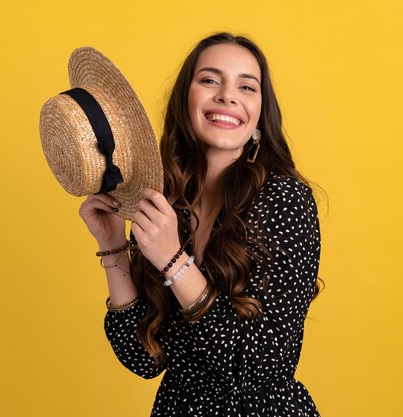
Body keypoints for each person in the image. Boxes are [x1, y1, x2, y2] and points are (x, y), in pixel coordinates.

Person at [78, 32, 322, 417]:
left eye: (247, 86)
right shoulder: (164, 203)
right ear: (185, 101)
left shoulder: (284, 200)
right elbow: (144, 358)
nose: (227, 95)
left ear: (259, 113)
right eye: (210, 80)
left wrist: (174, 261)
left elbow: (257, 367)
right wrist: (112, 246)